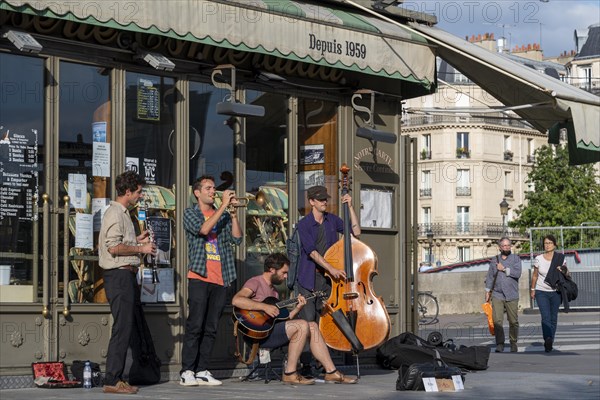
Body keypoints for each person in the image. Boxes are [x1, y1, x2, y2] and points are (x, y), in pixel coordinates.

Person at [232, 253, 357, 385]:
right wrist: (264, 307)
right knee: (302, 325)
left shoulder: (274, 291)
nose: (286, 276)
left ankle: (331, 372)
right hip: (257, 335)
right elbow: (237, 300)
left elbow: (284, 320)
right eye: (284, 272)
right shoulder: (255, 282)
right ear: (272, 270)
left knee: (312, 326)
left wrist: (298, 308)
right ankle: (290, 373)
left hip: (272, 331)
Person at [180, 175, 243, 386]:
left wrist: (233, 215)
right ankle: (187, 370)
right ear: (197, 193)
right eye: (208, 188)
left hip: (221, 277)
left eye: (213, 188)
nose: (212, 191)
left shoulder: (222, 214)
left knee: (211, 327)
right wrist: (223, 205)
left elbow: (238, 239)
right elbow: (204, 230)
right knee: (195, 325)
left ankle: (202, 370)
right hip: (199, 276)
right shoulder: (190, 213)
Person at [98, 171, 156, 394]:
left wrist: (136, 241)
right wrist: (141, 248)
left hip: (126, 275)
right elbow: (113, 247)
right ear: (128, 192)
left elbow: (120, 243)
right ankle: (113, 380)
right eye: (139, 192)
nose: (140, 196)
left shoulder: (123, 213)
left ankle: (117, 378)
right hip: (119, 276)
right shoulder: (115, 213)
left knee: (125, 326)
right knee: (122, 328)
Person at [295, 185, 360, 375]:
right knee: (308, 323)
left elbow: (356, 232)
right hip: (308, 279)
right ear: (311, 202)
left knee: (325, 322)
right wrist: (331, 268)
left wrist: (350, 207)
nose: (325, 202)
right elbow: (312, 253)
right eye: (321, 199)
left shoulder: (332, 220)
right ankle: (306, 365)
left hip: (329, 281)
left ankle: (323, 364)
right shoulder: (304, 224)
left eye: (326, 199)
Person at [484, 237, 522, 353]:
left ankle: (513, 342)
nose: (506, 247)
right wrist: (487, 291)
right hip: (497, 294)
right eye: (504, 246)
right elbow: (490, 276)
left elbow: (517, 273)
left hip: (512, 294)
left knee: (513, 321)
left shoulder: (516, 259)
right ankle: (500, 343)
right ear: (500, 247)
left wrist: (504, 269)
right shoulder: (494, 260)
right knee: (497, 321)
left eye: (508, 245)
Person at [531, 234, 567, 353]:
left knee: (553, 318)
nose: (547, 245)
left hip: (556, 292)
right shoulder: (539, 258)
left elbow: (568, 275)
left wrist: (563, 270)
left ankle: (550, 339)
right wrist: (532, 289)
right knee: (545, 317)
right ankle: (547, 338)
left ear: (554, 245)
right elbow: (535, 275)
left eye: (550, 243)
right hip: (541, 291)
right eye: (545, 243)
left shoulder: (560, 258)